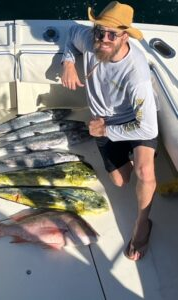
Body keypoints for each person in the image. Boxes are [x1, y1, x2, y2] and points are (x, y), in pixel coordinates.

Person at [61, 1, 158, 261]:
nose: (103, 39)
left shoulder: (136, 74)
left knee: (144, 172)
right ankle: (137, 154)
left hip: (135, 123)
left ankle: (142, 226)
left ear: (125, 35)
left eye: (111, 34)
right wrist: (68, 62)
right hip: (104, 126)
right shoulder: (91, 40)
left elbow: (147, 125)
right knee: (120, 181)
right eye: (99, 31)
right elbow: (70, 33)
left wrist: (106, 129)